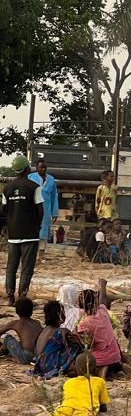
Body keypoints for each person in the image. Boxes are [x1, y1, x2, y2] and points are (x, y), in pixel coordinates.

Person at [17, 353, 109, 416]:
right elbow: (103, 406)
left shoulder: (69, 382)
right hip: (84, 408)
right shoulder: (99, 381)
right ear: (94, 368)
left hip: (66, 407)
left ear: (75, 368)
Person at [3, 154, 44, 305]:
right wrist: (37, 225)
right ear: (27, 169)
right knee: (27, 267)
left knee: (11, 266)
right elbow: (40, 210)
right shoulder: (35, 187)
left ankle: (9, 297)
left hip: (13, 233)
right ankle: (22, 297)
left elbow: (4, 210)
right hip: (30, 234)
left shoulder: (7, 188)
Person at [77, 284, 125, 379]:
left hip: (100, 360)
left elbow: (88, 344)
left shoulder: (84, 323)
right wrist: (102, 286)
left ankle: (103, 369)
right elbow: (102, 301)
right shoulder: (103, 310)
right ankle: (117, 367)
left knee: (81, 359)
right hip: (115, 356)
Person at [33, 301, 81, 379]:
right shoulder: (62, 332)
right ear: (59, 314)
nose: (65, 314)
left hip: (39, 366)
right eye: (64, 312)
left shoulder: (44, 330)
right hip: (49, 366)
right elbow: (79, 344)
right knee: (77, 349)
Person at [28, 158, 59, 253]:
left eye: (45, 167)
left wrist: (54, 213)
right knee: (32, 230)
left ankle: (41, 254)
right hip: (32, 209)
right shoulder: (30, 177)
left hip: (46, 209)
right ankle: (31, 252)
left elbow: (54, 196)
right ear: (36, 168)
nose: (43, 169)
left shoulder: (51, 179)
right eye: (41, 167)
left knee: (44, 231)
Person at [0, 297, 42, 365]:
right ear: (32, 311)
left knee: (7, 338)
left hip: (25, 357)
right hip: (38, 356)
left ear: (17, 311)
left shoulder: (17, 323)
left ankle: (6, 354)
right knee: (19, 343)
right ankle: (13, 355)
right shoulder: (37, 322)